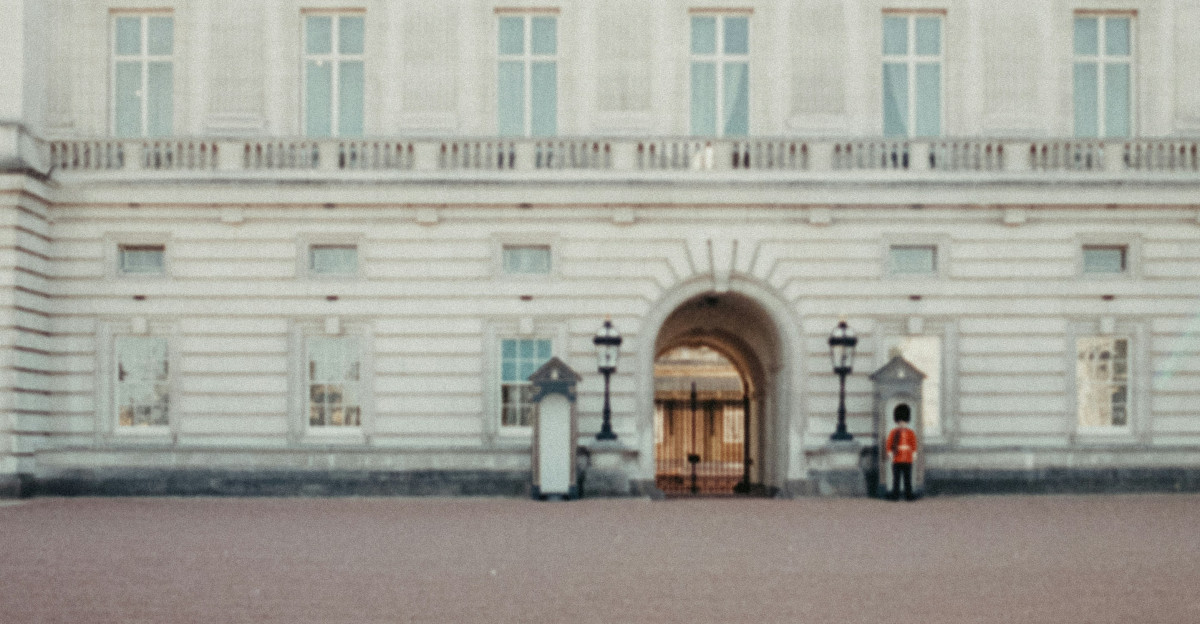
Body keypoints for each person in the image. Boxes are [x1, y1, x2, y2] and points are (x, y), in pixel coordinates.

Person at [885, 404, 918, 501]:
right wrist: (890, 453)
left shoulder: (910, 432)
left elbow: (913, 444)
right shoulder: (893, 432)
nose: (902, 423)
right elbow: (889, 443)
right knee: (896, 479)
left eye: (903, 421)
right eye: (900, 421)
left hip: (907, 458)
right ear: (897, 421)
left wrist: (914, 453)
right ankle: (895, 495)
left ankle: (909, 495)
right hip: (897, 458)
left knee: (907, 479)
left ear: (906, 421)